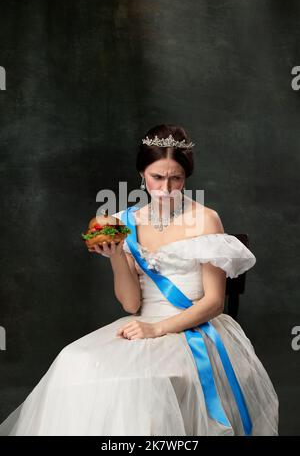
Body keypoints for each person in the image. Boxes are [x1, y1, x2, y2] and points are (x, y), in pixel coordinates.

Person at [0, 124, 279, 436]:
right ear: (141, 175)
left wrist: (156, 329)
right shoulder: (123, 222)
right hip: (144, 322)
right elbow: (132, 303)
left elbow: (214, 303)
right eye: (157, 177)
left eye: (176, 178)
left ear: (186, 177)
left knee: (143, 380)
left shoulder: (205, 218)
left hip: (194, 327)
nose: (166, 187)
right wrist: (117, 256)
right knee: (74, 360)